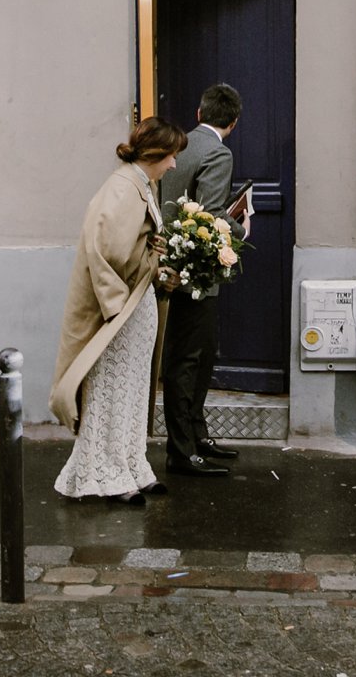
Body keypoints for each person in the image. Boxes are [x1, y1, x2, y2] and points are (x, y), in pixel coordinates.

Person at [50, 116, 189, 507]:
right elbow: (108, 251)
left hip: (134, 307)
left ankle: (129, 465)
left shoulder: (138, 184)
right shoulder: (124, 188)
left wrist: (156, 268)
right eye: (172, 156)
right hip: (123, 312)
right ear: (157, 154)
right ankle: (103, 473)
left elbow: (131, 249)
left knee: (130, 390)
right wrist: (142, 274)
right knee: (112, 391)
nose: (174, 164)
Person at [156, 82, 245, 477]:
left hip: (170, 266)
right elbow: (210, 214)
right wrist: (241, 227)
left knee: (192, 356)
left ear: (199, 113)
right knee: (190, 360)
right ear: (234, 122)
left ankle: (197, 435)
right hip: (197, 272)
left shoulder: (178, 147)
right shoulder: (218, 153)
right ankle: (182, 451)